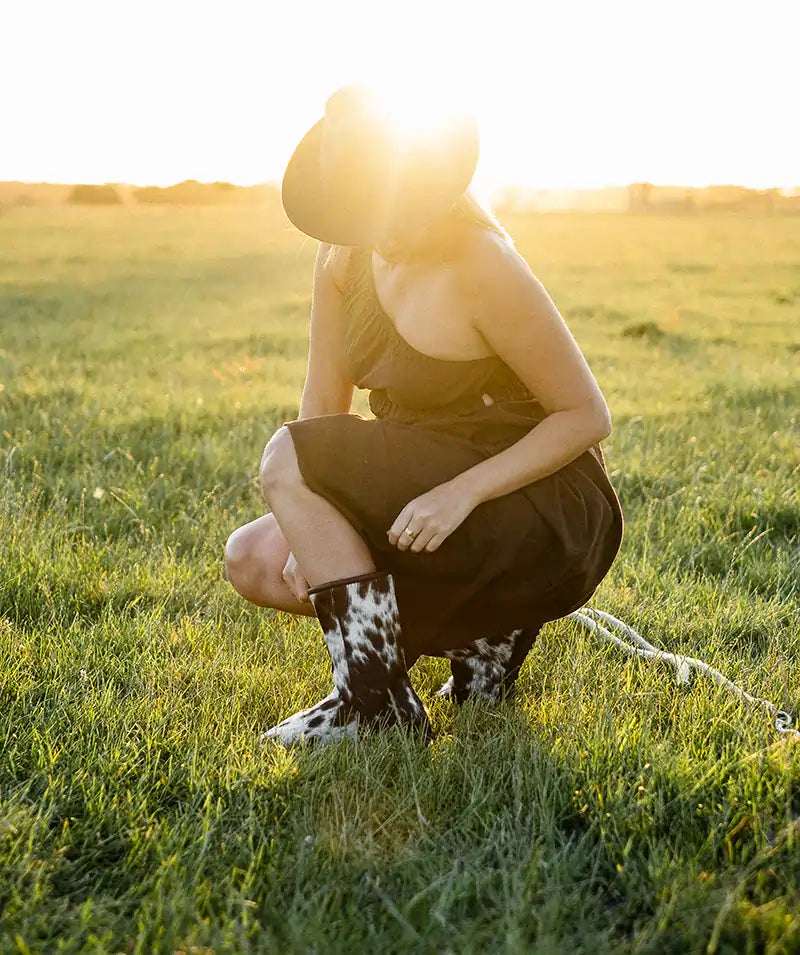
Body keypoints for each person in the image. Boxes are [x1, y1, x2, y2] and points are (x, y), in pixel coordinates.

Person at [224, 84, 623, 744]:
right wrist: (304, 527)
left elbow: (585, 415)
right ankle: (482, 640)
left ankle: (373, 705)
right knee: (253, 557)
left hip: (536, 501)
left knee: (284, 457)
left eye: (396, 207)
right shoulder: (343, 260)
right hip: (424, 472)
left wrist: (458, 494)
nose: (383, 231)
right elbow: (321, 409)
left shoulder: (482, 263)